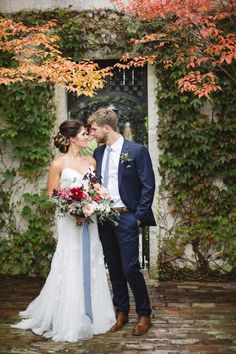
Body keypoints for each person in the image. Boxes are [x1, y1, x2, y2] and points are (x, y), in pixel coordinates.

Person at [11, 120, 115, 342]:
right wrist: (72, 208)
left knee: (92, 257)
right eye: (84, 133)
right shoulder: (58, 163)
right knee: (71, 259)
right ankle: (68, 315)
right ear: (72, 138)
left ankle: (95, 314)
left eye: (88, 133)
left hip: (90, 218)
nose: (88, 136)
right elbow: (52, 194)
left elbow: (96, 188)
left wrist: (96, 202)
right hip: (70, 221)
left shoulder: (91, 161)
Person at [88, 108, 156, 336]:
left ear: (106, 128)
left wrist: (138, 217)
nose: (91, 133)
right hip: (104, 217)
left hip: (127, 216)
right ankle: (122, 312)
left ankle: (144, 314)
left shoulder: (136, 151)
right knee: (114, 269)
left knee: (130, 268)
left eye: (94, 129)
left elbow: (148, 186)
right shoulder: (98, 153)